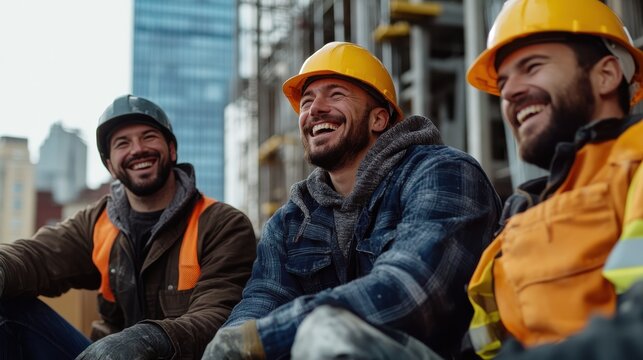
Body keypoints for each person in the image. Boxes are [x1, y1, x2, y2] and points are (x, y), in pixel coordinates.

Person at [203, 41, 502, 360]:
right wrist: (234, 341)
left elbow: (410, 289)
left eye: (336, 95)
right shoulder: (291, 221)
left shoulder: (442, 173)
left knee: (326, 336)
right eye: (306, 101)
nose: (314, 110)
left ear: (379, 119)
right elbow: (263, 299)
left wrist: (264, 338)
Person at [0, 94, 257, 359]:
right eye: (123, 143)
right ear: (110, 165)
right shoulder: (97, 221)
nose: (137, 149)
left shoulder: (222, 225)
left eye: (148, 137)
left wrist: (148, 339)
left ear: (172, 150)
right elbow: (37, 257)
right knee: (7, 306)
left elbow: (219, 318)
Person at [464, 0, 643, 358]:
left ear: (606, 75)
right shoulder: (516, 217)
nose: (510, 92)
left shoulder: (635, 160)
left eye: (531, 67)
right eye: (503, 83)